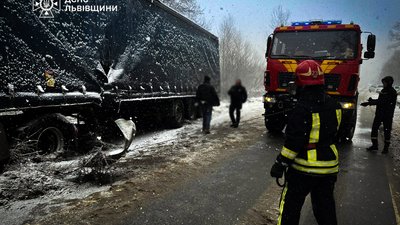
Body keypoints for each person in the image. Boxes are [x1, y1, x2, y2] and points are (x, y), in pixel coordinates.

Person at [270, 60, 342, 225]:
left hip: (303, 169)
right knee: (325, 210)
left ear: (300, 82)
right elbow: (331, 133)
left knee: (290, 209)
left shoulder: (302, 108)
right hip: (329, 167)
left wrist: (280, 163)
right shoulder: (334, 104)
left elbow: (294, 142)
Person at [361, 76, 397, 154]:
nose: (383, 84)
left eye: (384, 82)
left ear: (389, 83)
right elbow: (380, 100)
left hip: (387, 115)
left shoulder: (392, 92)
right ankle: (375, 145)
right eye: (383, 82)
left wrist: (369, 103)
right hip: (379, 114)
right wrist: (372, 100)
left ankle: (386, 148)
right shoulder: (383, 90)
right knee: (374, 129)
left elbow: (383, 102)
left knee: (387, 131)